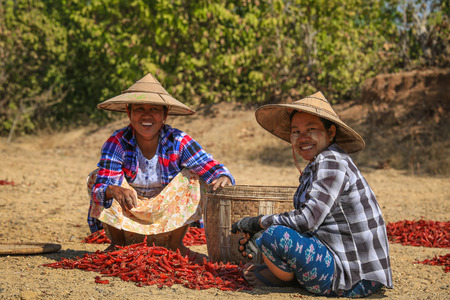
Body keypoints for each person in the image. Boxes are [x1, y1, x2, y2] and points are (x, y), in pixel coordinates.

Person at [231, 92, 393, 297]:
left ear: (331, 131)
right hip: (340, 261)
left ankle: (287, 281)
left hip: (354, 277)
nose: (303, 137)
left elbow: (307, 220)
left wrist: (259, 222)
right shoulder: (319, 163)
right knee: (270, 234)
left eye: (311, 129)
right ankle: (288, 277)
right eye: (296, 131)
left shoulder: (332, 161)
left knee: (273, 234)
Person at [86, 73, 234, 260]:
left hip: (166, 222)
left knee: (194, 177)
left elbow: (210, 167)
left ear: (164, 115)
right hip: (127, 220)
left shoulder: (178, 140)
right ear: (128, 112)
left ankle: (175, 245)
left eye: (155, 109)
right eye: (139, 108)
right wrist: (114, 190)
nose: (147, 115)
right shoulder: (117, 141)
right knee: (97, 177)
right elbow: (100, 187)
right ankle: (118, 244)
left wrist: (223, 177)